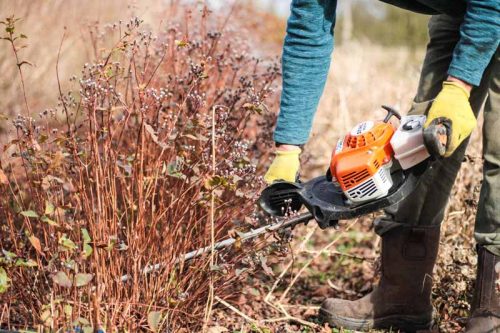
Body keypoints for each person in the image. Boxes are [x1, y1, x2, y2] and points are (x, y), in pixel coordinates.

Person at [264, 0, 499, 331]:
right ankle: (403, 294)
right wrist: (288, 149)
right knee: (421, 138)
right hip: (457, 10)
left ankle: (492, 307)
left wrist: (459, 86)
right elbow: (308, 32)